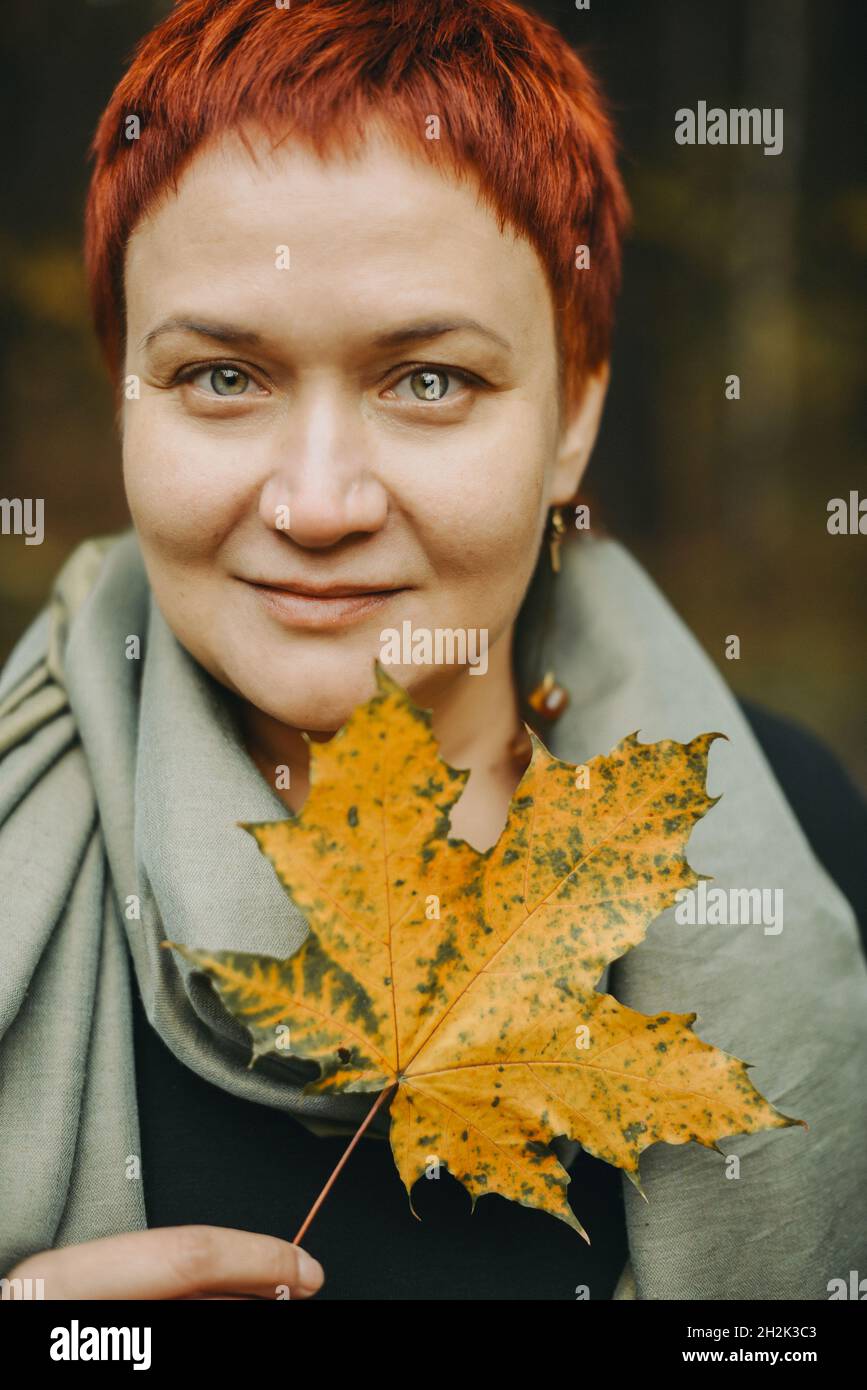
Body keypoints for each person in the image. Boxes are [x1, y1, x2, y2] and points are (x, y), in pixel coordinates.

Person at [1, 0, 865, 1302]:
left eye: (428, 380)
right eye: (222, 377)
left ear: (574, 416)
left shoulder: (802, 829)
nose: (319, 500)